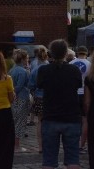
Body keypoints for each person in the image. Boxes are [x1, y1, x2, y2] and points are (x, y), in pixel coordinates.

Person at [37, 39, 82, 169]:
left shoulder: (44, 70)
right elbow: (78, 85)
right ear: (66, 53)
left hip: (50, 116)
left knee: (49, 160)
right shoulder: (74, 70)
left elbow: (39, 85)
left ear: (51, 52)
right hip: (71, 116)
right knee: (73, 158)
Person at [69, 46, 91, 152]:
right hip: (85, 93)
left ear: (77, 53)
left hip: (72, 93)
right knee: (85, 120)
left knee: (73, 119)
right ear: (86, 53)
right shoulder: (89, 64)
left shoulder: (71, 63)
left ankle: (72, 143)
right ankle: (81, 145)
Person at [9, 49, 31, 152]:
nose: (28, 60)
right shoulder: (23, 71)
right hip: (21, 98)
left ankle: (13, 144)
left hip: (13, 99)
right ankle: (16, 146)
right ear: (22, 59)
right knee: (20, 121)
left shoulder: (12, 69)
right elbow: (20, 86)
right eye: (27, 58)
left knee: (14, 120)